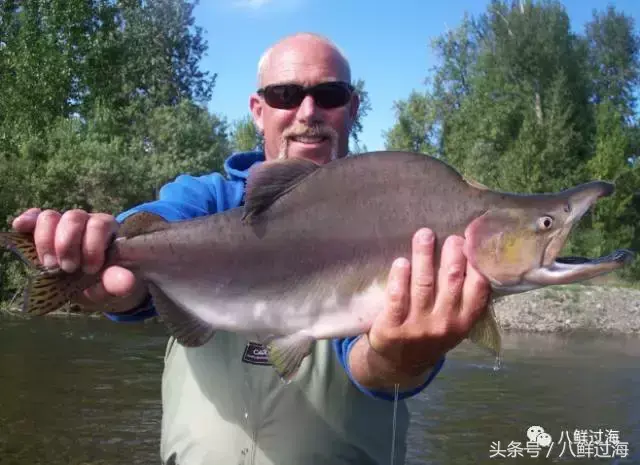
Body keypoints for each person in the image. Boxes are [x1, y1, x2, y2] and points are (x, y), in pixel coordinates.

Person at [12, 33, 491, 465]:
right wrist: (96, 256)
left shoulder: (391, 220)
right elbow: (140, 240)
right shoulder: (206, 201)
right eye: (285, 95)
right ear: (258, 110)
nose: (308, 112)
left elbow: (368, 364)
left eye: (328, 95)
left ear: (352, 108)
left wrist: (403, 358)